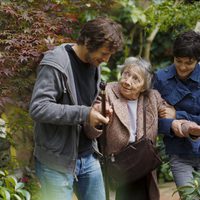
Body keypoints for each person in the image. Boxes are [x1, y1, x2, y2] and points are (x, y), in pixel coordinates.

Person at [29, 17, 123, 200]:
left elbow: (84, 102)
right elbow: (38, 108)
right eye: (104, 53)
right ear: (87, 42)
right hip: (56, 162)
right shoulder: (55, 64)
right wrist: (85, 113)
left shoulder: (93, 64)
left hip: (89, 156)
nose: (106, 59)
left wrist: (97, 110)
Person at [85, 57, 200, 200]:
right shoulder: (107, 92)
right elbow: (90, 131)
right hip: (117, 165)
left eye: (135, 79)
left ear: (144, 86)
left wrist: (186, 127)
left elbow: (170, 119)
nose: (127, 81)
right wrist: (97, 118)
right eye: (126, 74)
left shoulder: (152, 97)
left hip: (141, 163)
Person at [153, 30, 200, 199]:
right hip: (179, 153)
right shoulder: (160, 78)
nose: (182, 67)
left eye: (189, 62)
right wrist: (172, 125)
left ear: (197, 60)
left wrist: (177, 115)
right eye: (178, 61)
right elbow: (150, 119)